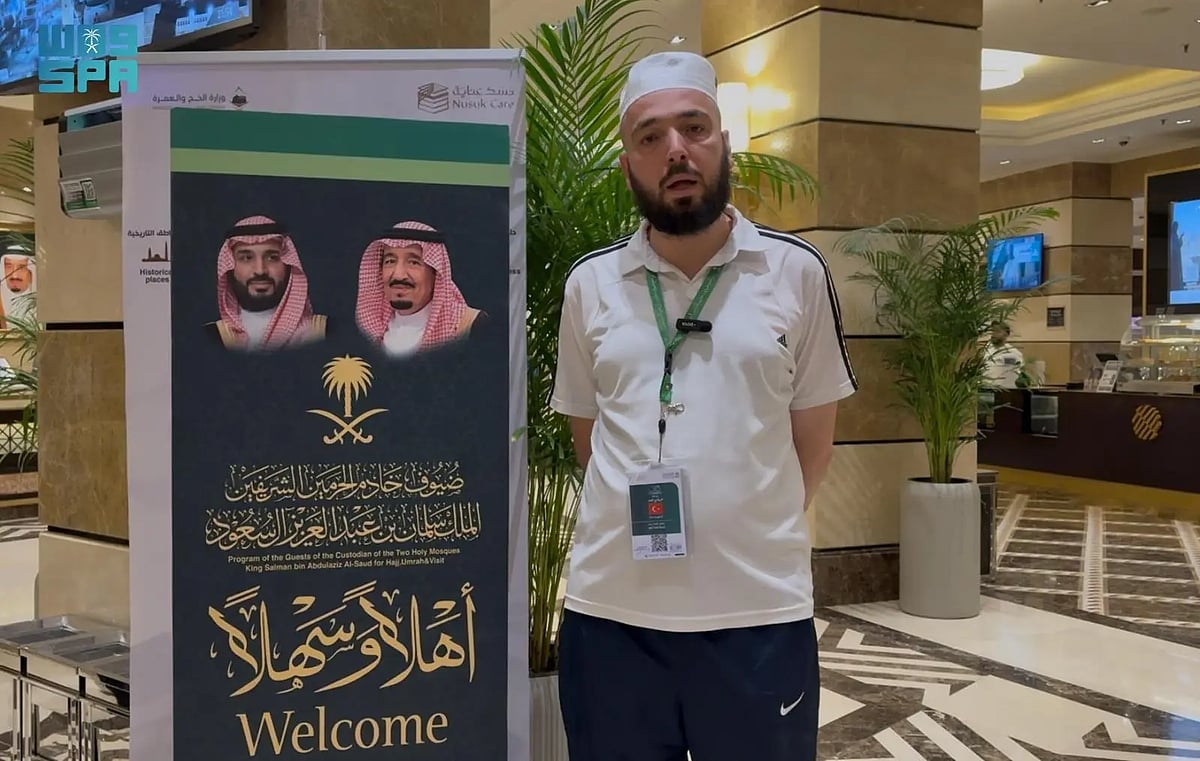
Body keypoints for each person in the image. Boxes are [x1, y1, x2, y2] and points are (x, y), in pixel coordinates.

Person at [549, 50, 857, 761]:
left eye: (694, 127)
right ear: (627, 165)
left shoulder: (795, 273)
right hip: (612, 617)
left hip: (759, 617)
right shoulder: (590, 285)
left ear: (726, 146)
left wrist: (741, 524)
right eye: (650, 136)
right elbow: (589, 441)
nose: (675, 150)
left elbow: (812, 447)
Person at [355, 221, 487, 357]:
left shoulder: (469, 327)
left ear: (435, 273)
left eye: (413, 262)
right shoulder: (367, 335)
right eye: (390, 261)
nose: (398, 274)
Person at [206, 215, 326, 351]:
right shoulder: (211, 337)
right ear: (230, 267)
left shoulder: (321, 332)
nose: (260, 270)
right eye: (246, 258)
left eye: (272, 258)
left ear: (288, 265)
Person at [983, 321, 1024, 390]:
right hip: (986, 389)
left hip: (1006, 390)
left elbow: (1019, 372)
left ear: (1006, 334)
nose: (994, 334)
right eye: (992, 331)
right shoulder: (986, 349)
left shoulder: (1013, 353)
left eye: (997, 331)